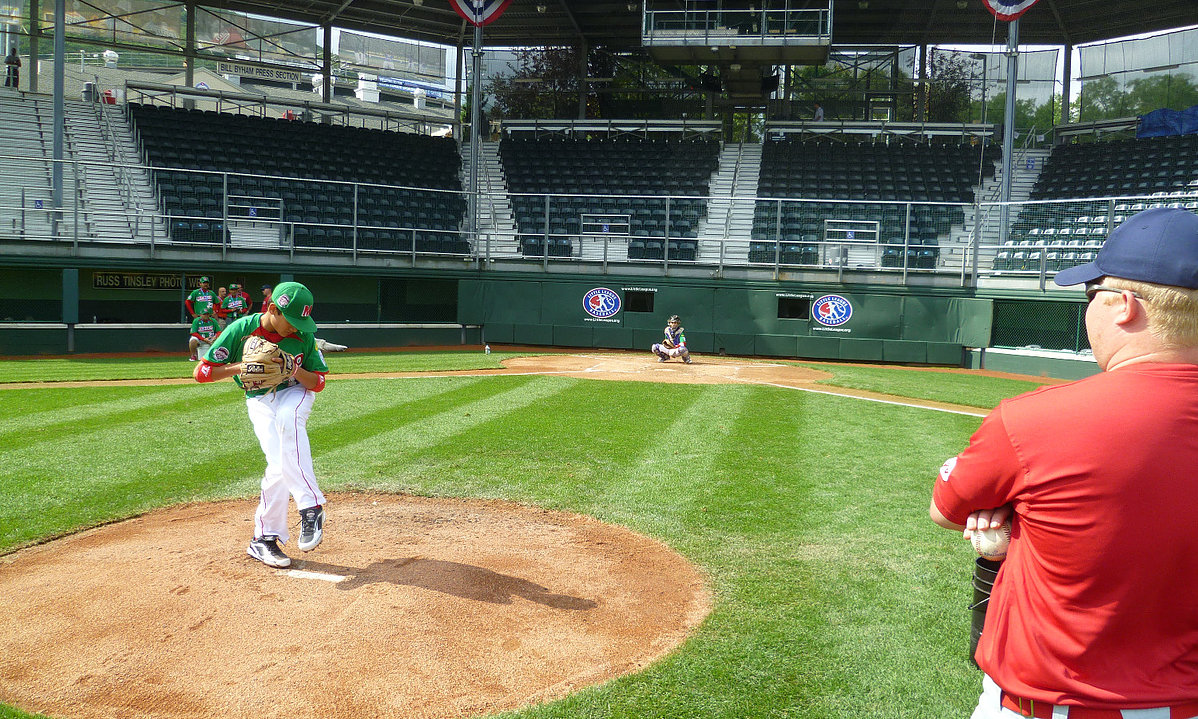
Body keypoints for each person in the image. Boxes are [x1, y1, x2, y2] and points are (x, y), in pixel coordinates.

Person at [930, 207, 1198, 719]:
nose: (1087, 309)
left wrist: (1014, 515)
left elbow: (946, 510)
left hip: (1059, 703)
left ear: (1123, 306)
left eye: (1090, 295)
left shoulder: (1035, 421)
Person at [193, 281, 330, 569]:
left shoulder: (303, 333)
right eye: (291, 321)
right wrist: (240, 368)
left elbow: (318, 382)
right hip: (259, 398)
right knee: (279, 465)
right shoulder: (241, 329)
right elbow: (202, 372)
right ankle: (263, 539)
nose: (296, 328)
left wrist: (293, 369)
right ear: (272, 309)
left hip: (295, 391)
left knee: (288, 419)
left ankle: (310, 505)